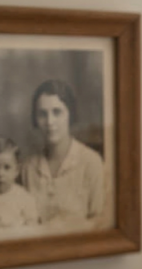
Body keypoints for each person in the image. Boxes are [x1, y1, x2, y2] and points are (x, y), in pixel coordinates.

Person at [23, 79, 106, 230]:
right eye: (42, 114)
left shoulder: (91, 162)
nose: (49, 121)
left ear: (70, 115)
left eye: (57, 112)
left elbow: (99, 222)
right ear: (35, 119)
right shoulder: (28, 168)